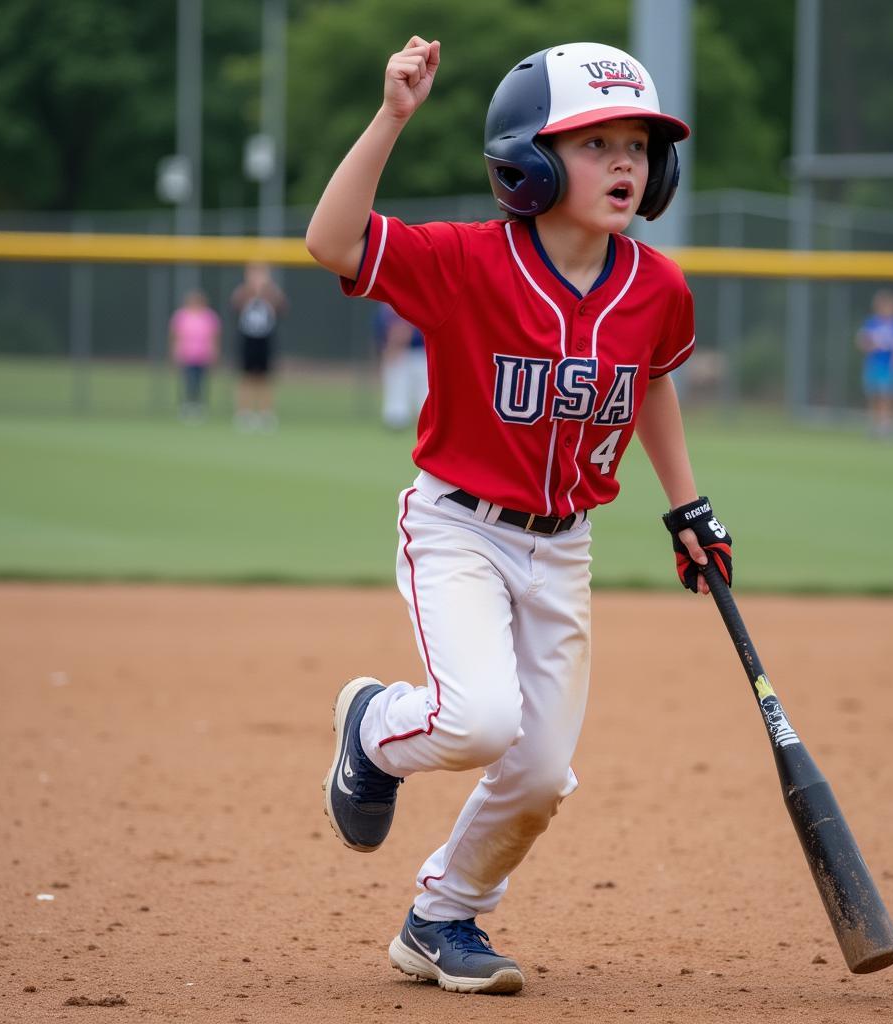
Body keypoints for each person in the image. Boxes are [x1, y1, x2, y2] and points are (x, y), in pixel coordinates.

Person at [306, 38, 734, 995]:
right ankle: (376, 725)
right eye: (595, 144)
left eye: (638, 145)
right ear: (527, 162)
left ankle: (441, 919)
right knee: (479, 720)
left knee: (540, 774)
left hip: (564, 548)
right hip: (458, 527)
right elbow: (333, 244)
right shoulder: (466, 261)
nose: (624, 162)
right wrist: (392, 118)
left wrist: (686, 508)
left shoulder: (655, 287)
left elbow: (653, 384)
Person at [231, 263, 286, 430]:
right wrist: (251, 290)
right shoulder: (243, 292)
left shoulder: (271, 293)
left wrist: (266, 291)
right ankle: (244, 413)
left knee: (265, 378)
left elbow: (282, 306)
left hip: (265, 339)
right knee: (246, 377)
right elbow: (235, 304)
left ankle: (265, 414)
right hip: (248, 339)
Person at [856, 289, 893, 437]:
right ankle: (875, 425)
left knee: (889, 395)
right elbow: (862, 342)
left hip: (891, 366)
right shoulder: (871, 323)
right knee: (874, 395)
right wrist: (869, 345)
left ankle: (889, 426)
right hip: (874, 364)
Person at [374, 302, 428, 429]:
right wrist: (390, 346)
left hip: (420, 352)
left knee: (425, 395)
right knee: (396, 406)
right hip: (397, 353)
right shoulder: (384, 308)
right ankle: (397, 421)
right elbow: (378, 329)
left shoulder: (419, 301)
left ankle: (426, 421)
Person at [169, 289, 221, 419]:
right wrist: (175, 351)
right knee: (188, 380)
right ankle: (186, 405)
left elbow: (214, 336)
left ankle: (199, 406)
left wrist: (214, 352)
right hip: (187, 354)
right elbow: (175, 335)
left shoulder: (209, 316)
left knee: (200, 381)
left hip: (203, 354)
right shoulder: (181, 315)